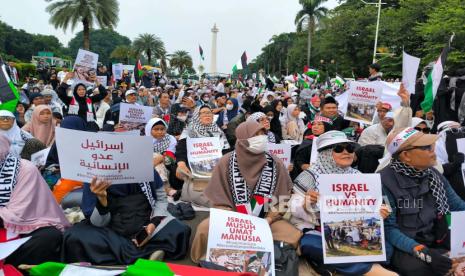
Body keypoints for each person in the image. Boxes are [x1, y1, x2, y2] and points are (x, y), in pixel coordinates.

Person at [190, 121, 302, 263]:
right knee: (204, 230)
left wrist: (269, 218)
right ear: (243, 138)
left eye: (263, 134)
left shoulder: (275, 163)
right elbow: (218, 200)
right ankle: (207, 263)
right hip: (231, 221)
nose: (261, 138)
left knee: (293, 235)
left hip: (265, 220)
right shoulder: (226, 162)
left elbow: (283, 199)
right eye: (256, 135)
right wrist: (237, 223)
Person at [290, 131, 395, 276]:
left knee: (387, 249)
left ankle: (337, 267)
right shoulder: (309, 177)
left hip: (355, 231)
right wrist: (306, 204)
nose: (347, 152)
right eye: (339, 148)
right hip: (318, 231)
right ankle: (372, 271)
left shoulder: (357, 176)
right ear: (325, 153)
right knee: (314, 245)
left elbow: (370, 207)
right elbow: (291, 211)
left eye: (350, 148)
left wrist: (379, 213)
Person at [381, 127, 465, 276]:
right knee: (421, 270)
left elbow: (458, 207)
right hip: (406, 247)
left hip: (437, 238)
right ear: (406, 155)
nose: (433, 150)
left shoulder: (433, 174)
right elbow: (389, 229)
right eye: (427, 147)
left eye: (432, 146)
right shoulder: (383, 181)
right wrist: (425, 254)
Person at [62, 174, 191, 264]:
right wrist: (102, 200)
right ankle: (148, 252)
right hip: (111, 227)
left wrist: (153, 224)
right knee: (73, 237)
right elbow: (97, 223)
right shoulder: (94, 176)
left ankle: (130, 254)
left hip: (145, 220)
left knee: (180, 230)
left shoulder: (145, 168)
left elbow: (161, 200)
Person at [0, 135, 70, 267]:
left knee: (49, 237)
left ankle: (16, 268)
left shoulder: (24, 169)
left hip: (23, 225)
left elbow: (19, 212)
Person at [174, 106, 230, 183]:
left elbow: (225, 151)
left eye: (209, 112)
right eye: (203, 113)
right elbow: (181, 149)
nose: (207, 115)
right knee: (181, 172)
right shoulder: (190, 130)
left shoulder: (217, 130)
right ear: (197, 115)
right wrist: (181, 163)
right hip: (194, 164)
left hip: (216, 164)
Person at [145, 118, 179, 199]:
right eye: (156, 129)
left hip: (168, 164)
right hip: (150, 165)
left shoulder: (170, 139)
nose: (160, 132)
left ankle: (164, 188)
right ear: (149, 129)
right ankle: (167, 189)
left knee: (157, 157)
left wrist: (160, 158)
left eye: (162, 129)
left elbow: (171, 156)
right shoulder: (144, 140)